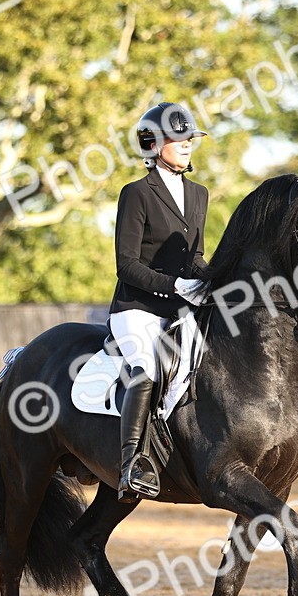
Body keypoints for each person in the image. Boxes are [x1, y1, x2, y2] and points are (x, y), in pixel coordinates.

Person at [110, 102, 211, 502]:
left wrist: (209, 280)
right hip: (138, 309)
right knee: (148, 365)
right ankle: (132, 462)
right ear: (153, 144)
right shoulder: (136, 194)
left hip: (181, 307)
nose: (187, 145)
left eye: (190, 138)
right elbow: (126, 264)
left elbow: (196, 255)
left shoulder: (199, 194)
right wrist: (175, 286)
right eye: (178, 138)